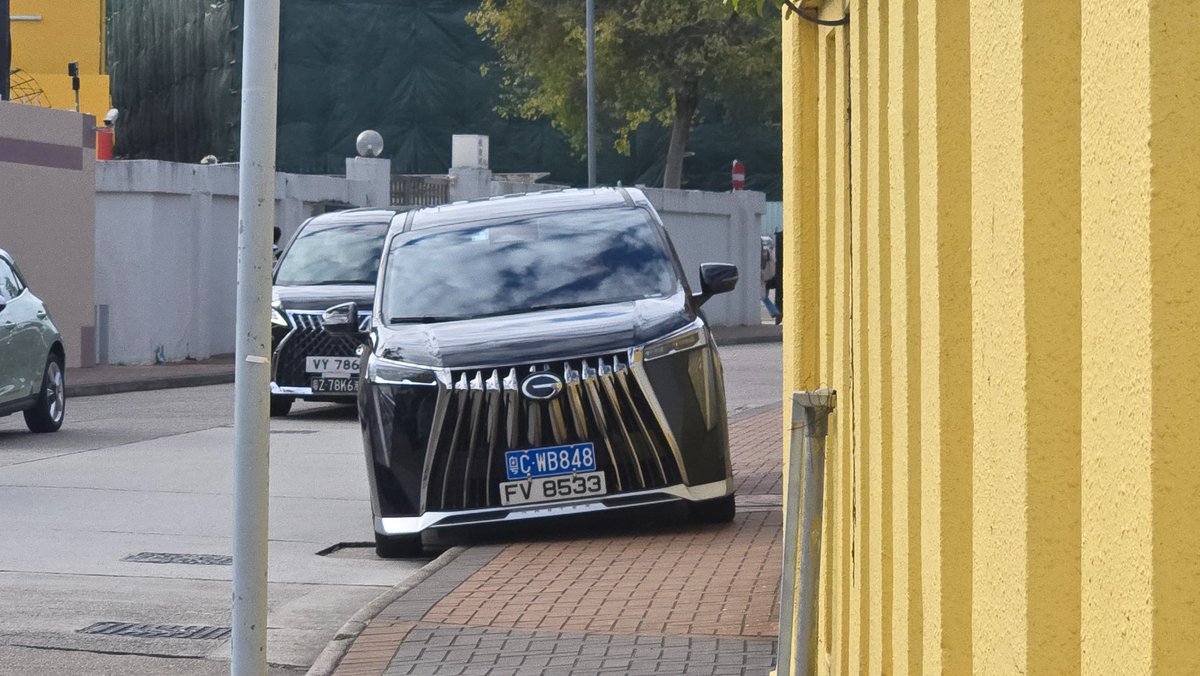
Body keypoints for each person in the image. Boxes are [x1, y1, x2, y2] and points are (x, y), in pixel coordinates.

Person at [760, 235, 781, 321]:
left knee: (763, 296)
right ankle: (774, 311)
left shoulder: (761, 250)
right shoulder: (770, 251)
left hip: (761, 274)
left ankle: (774, 311)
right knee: (764, 295)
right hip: (768, 274)